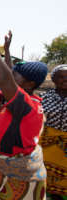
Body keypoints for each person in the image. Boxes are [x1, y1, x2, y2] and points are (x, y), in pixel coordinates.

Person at [0, 9, 47, 199]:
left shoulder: (27, 105)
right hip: (6, 163)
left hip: (17, 179)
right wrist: (6, 50)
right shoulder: (25, 100)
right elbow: (8, 74)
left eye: (16, 74)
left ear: (30, 83)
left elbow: (5, 79)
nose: (11, 74)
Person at [39, 64, 67, 200]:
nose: (65, 79)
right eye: (61, 77)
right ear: (54, 79)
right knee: (46, 173)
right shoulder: (44, 97)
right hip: (48, 143)